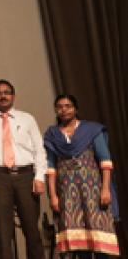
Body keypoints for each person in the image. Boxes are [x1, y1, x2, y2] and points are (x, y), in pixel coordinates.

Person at [0, 79, 46, 259]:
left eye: (7, 92)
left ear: (13, 96)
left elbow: (39, 149)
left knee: (31, 229)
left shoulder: (27, 119)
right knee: (3, 231)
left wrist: (39, 177)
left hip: (26, 176)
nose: (3, 96)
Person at [44, 94, 119, 256]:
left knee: (98, 235)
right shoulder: (52, 135)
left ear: (76, 109)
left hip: (93, 189)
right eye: (60, 107)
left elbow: (105, 161)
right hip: (67, 192)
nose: (64, 110)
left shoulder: (92, 130)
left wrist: (105, 189)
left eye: (68, 106)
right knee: (77, 238)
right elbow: (50, 167)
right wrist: (53, 195)